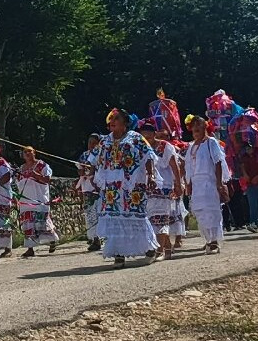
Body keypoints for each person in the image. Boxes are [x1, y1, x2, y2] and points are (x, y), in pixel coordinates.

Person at [93, 108, 158, 268]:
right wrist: (90, 172)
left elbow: (148, 156)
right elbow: (94, 158)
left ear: (125, 123)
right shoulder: (104, 141)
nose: (113, 121)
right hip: (112, 188)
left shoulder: (135, 138)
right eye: (111, 119)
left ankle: (149, 249)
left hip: (132, 186)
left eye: (117, 118)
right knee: (114, 218)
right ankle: (118, 254)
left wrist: (151, 175)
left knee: (135, 217)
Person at [184, 114, 229, 254]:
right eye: (194, 126)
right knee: (200, 211)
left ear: (205, 127)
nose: (196, 128)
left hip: (209, 182)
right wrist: (188, 183)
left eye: (199, 125)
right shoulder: (191, 146)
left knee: (211, 211)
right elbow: (189, 167)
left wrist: (219, 183)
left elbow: (218, 162)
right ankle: (208, 239)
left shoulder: (211, 142)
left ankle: (214, 241)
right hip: (196, 184)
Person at [137, 119, 182, 259]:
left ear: (154, 134)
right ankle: (167, 247)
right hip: (148, 187)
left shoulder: (164, 146)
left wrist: (178, 184)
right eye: (143, 137)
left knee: (161, 217)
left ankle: (160, 249)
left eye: (148, 136)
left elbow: (175, 166)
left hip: (164, 187)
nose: (146, 139)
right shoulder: (140, 149)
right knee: (151, 218)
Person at [16, 147, 59, 257]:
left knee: (42, 223)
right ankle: (30, 248)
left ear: (34, 153)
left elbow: (47, 179)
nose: (27, 153)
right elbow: (18, 183)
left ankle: (52, 240)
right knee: (28, 224)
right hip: (26, 200)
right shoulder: (21, 168)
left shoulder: (42, 165)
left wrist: (36, 175)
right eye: (25, 152)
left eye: (29, 151)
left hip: (39, 199)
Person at [76, 133, 103, 252]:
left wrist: (93, 171)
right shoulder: (84, 156)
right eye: (89, 142)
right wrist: (82, 171)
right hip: (87, 188)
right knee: (90, 214)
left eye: (94, 142)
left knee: (99, 213)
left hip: (99, 186)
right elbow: (80, 171)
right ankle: (94, 238)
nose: (91, 145)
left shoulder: (102, 155)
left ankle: (101, 237)